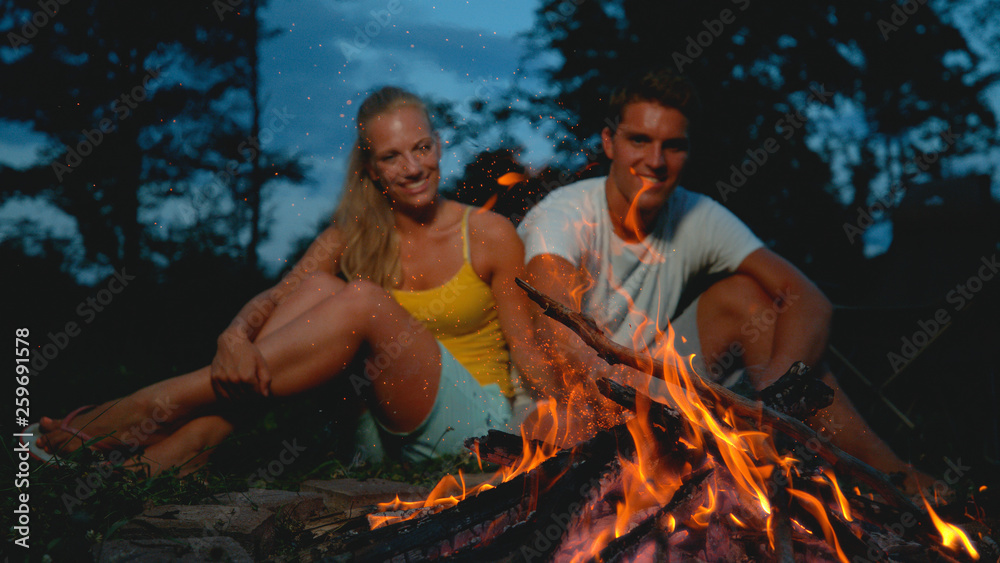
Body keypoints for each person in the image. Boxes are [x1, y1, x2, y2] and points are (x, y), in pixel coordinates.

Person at [29, 86, 547, 474]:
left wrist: (550, 421)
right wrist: (232, 338)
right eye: (392, 156)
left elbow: (527, 355)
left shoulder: (487, 233)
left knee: (362, 299)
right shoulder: (354, 235)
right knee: (319, 290)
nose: (413, 168)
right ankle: (134, 471)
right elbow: (277, 297)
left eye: (422, 148)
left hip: (476, 429)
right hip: (380, 430)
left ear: (438, 146)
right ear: (371, 169)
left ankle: (130, 416)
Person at [516, 68, 932, 493]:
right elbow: (563, 343)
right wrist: (638, 414)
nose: (655, 161)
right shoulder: (563, 214)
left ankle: (891, 475)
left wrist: (769, 401)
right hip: (567, 403)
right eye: (639, 140)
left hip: (650, 382)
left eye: (673, 146)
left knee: (750, 301)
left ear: (688, 151)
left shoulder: (695, 213)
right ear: (609, 142)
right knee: (576, 416)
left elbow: (810, 301)